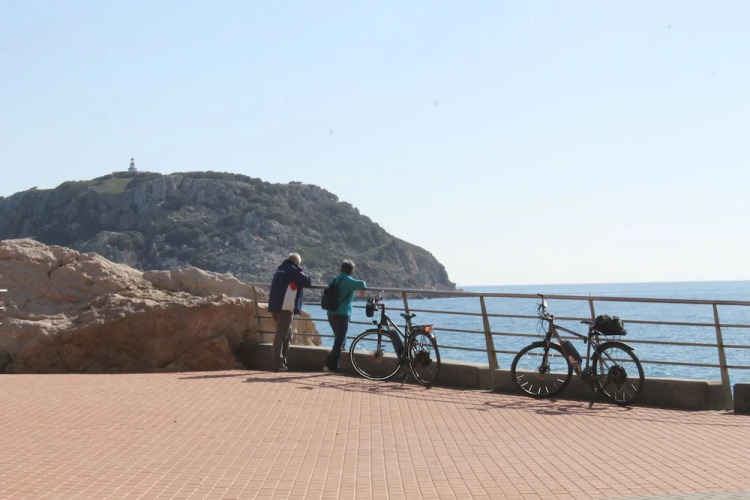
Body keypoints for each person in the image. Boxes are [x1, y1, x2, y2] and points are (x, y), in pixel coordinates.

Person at [267, 253, 312, 372]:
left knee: (288, 334)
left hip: (275, 306)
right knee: (281, 336)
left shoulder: (280, 269)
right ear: (296, 263)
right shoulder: (291, 270)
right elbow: (307, 281)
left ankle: (283, 361)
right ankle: (278, 364)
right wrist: (300, 271)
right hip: (285, 308)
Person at [324, 259, 367, 372]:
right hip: (342, 314)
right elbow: (362, 284)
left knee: (339, 339)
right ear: (352, 271)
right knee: (339, 341)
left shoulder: (334, 280)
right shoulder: (349, 281)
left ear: (341, 269)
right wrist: (363, 289)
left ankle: (330, 362)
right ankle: (332, 365)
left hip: (331, 313)